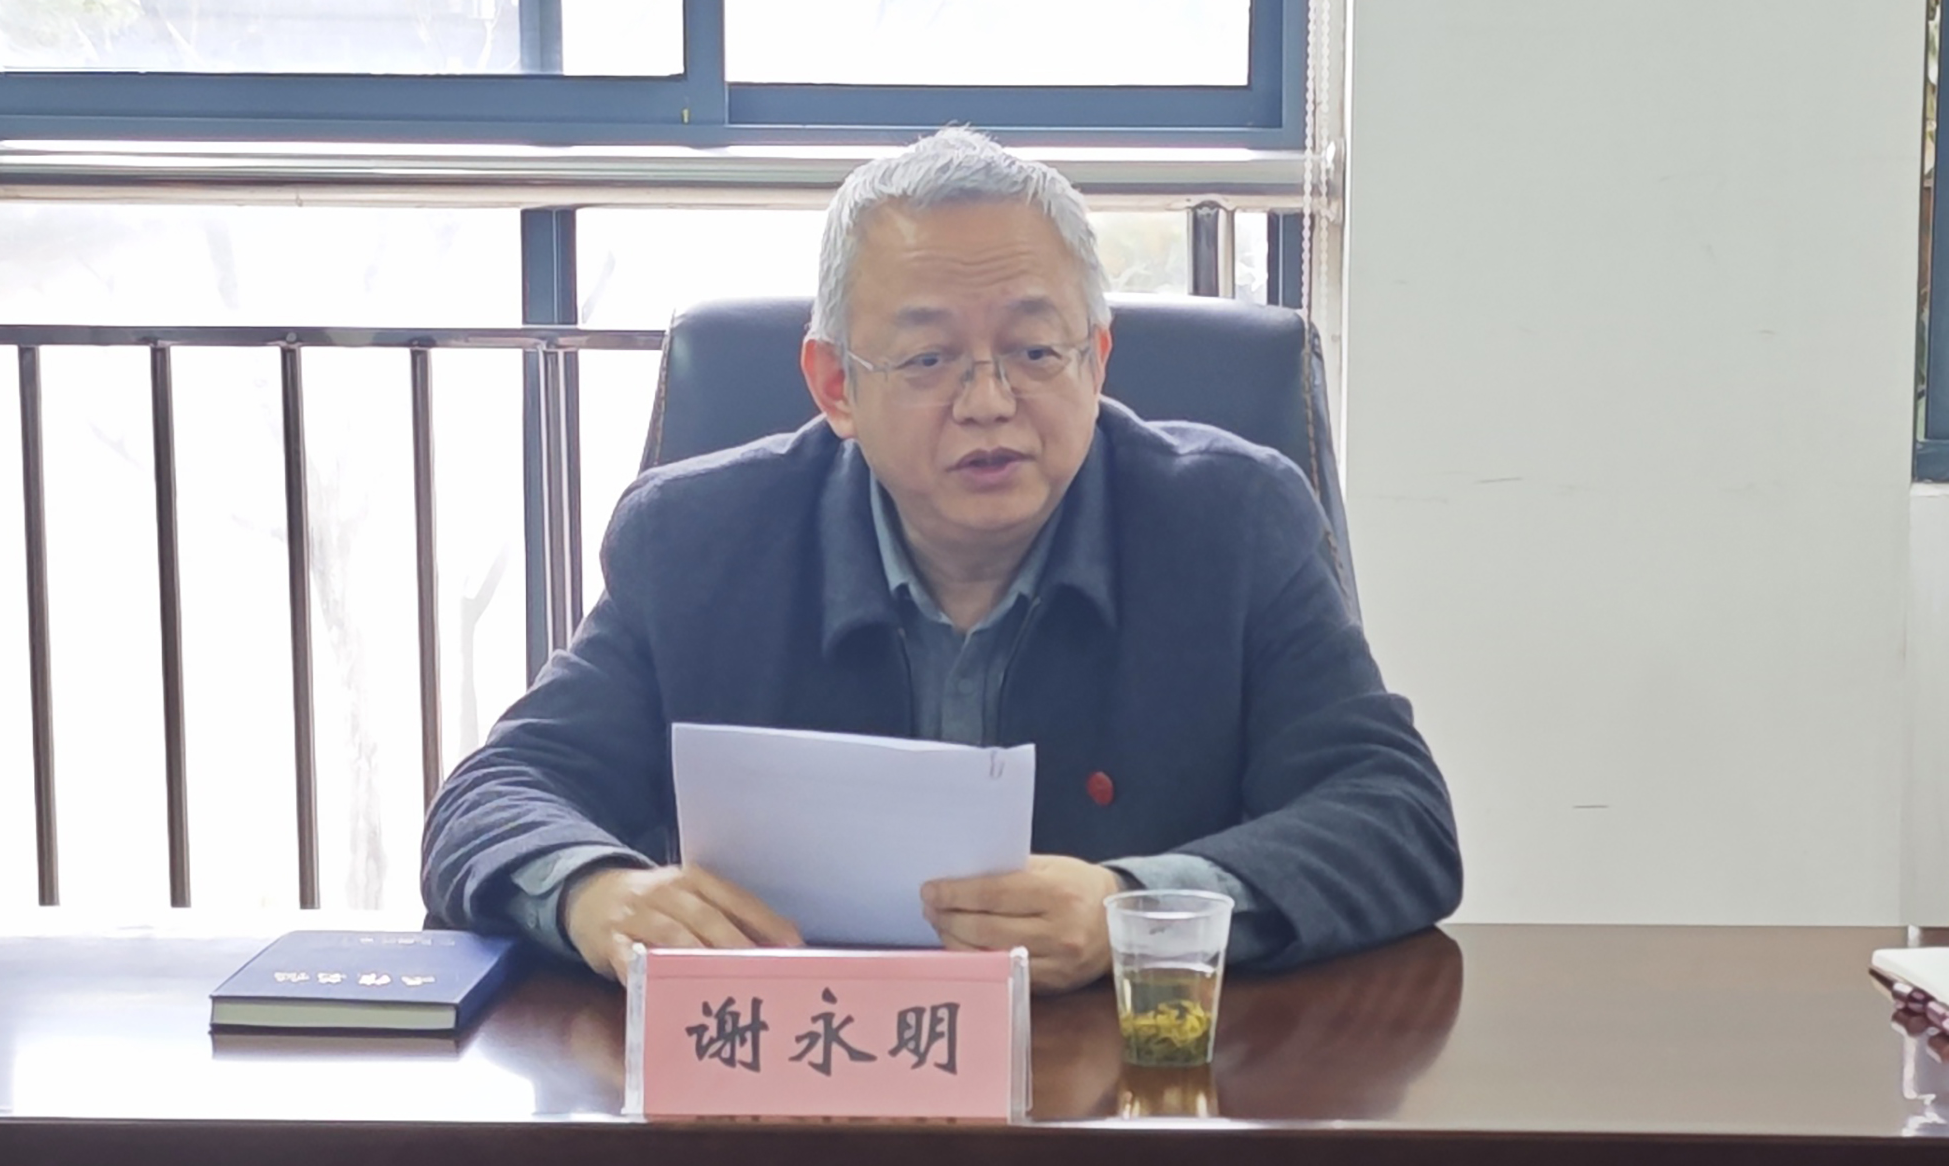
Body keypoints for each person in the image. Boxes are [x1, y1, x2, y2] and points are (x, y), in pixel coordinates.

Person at [422, 127, 1460, 994]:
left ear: (1097, 358)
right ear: (835, 384)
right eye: (928, 358)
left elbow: (1396, 817)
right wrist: (596, 892)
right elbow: (493, 795)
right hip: (793, 1100)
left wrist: (1131, 906)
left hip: (1123, 1104)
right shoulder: (695, 543)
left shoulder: (1232, 522)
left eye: (1034, 350)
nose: (989, 401)